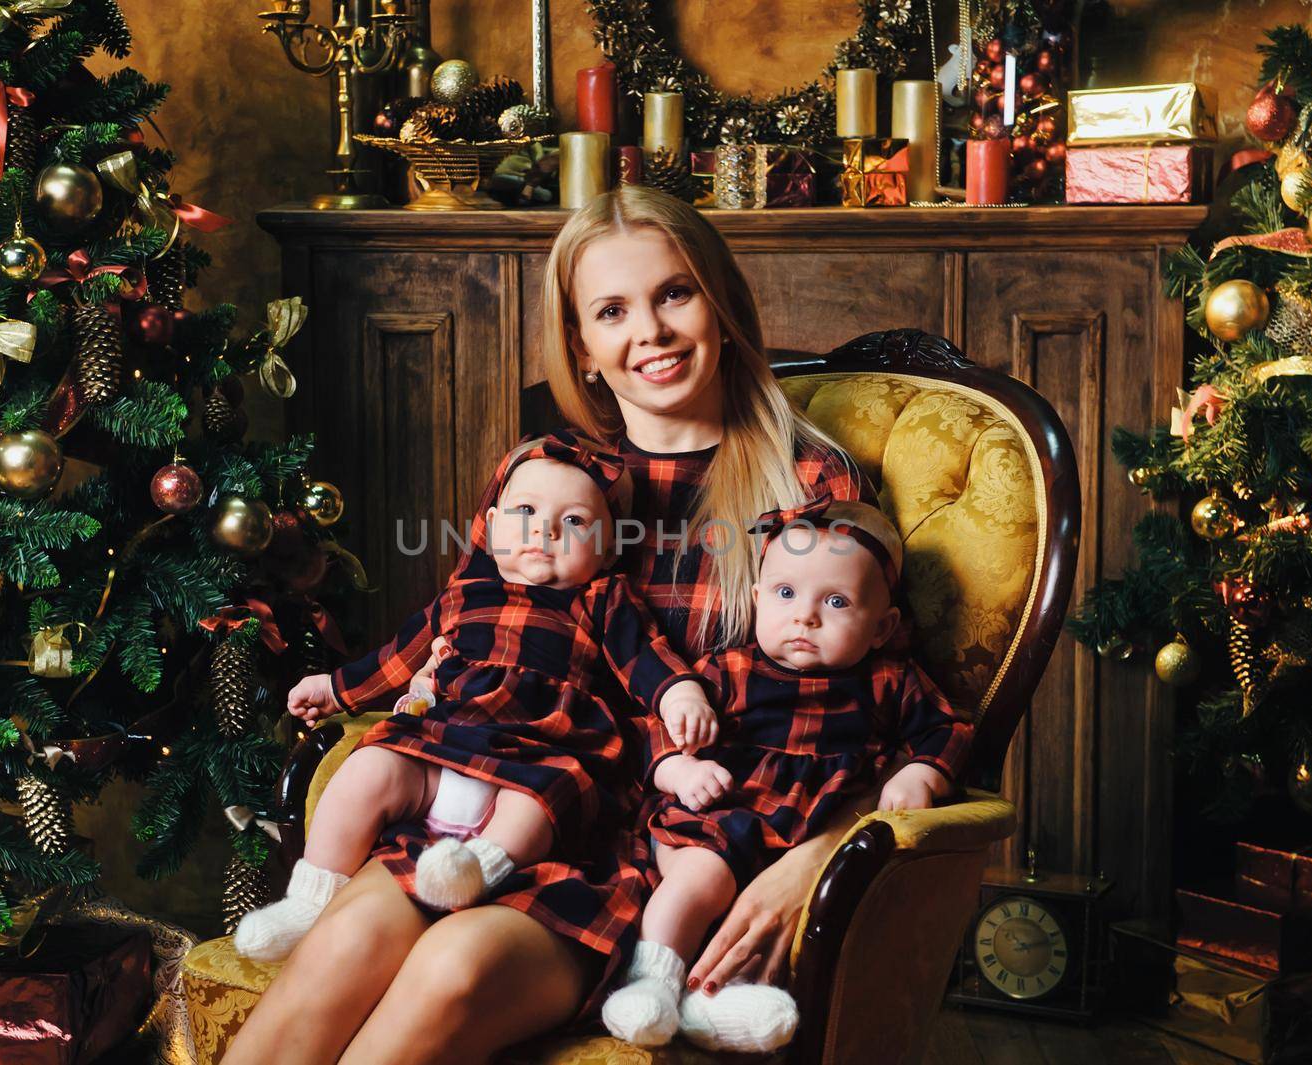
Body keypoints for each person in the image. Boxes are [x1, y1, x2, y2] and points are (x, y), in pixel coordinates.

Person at [222, 184, 883, 1065]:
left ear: (721, 301)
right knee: (340, 945)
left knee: (452, 966)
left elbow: (892, 714)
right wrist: (426, 694)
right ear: (582, 342)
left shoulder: (809, 488)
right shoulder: (550, 479)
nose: (648, 330)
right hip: (499, 801)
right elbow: (459, 627)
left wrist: (825, 855)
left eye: (674, 293)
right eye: (612, 309)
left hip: (656, 861)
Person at [232, 434, 718, 962]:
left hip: (539, 752)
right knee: (370, 766)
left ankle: (480, 869)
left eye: (575, 521)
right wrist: (333, 688)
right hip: (446, 743)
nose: (546, 529)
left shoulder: (602, 599)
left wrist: (680, 694)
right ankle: (311, 898)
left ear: (606, 550)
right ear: (491, 525)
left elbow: (645, 656)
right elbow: (398, 657)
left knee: (547, 800)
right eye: (526, 510)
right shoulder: (462, 595)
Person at [602, 495, 971, 1052]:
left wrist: (922, 771)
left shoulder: (890, 681)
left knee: (801, 922)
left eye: (838, 601)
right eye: (785, 593)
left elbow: (950, 729)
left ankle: (714, 1004)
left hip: (804, 836)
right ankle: (652, 980)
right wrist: (678, 767)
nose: (805, 616)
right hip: (721, 817)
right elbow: (661, 725)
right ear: (755, 601)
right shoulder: (728, 669)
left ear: (881, 626)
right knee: (702, 882)